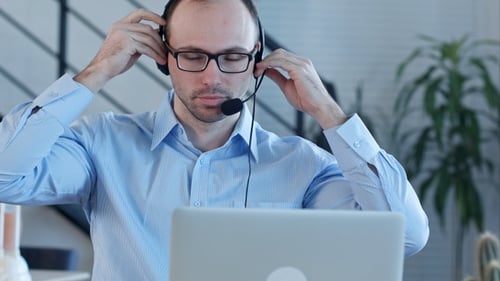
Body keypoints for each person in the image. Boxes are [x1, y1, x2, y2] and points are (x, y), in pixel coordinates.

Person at [0, 0, 429, 279]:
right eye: (192, 55)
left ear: (257, 58)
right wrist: (96, 72)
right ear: (164, 57)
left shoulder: (302, 166)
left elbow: (406, 236)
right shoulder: (102, 143)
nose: (212, 76)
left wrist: (329, 115)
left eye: (232, 57)